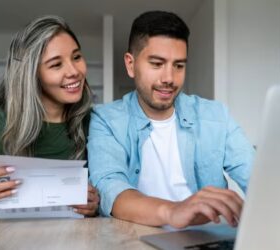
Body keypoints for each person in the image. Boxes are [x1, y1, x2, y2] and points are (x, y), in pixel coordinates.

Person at [87, 11, 254, 227]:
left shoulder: (215, 116)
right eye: (157, 64)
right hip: (136, 238)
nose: (169, 78)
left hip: (208, 236)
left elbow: (258, 177)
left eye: (179, 66)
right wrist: (173, 211)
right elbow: (110, 188)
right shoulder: (106, 119)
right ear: (130, 64)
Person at [0, 15, 99, 216]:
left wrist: (96, 204)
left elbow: (110, 192)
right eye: (56, 64)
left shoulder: (94, 123)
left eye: (76, 57)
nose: (74, 71)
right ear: (31, 74)